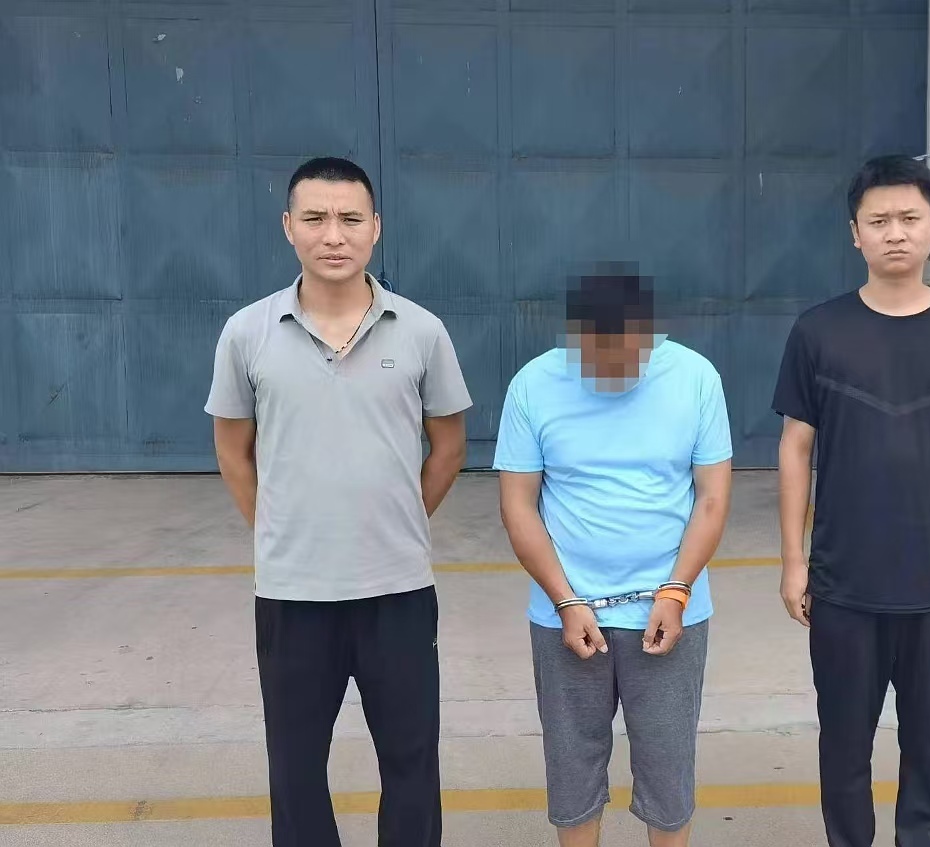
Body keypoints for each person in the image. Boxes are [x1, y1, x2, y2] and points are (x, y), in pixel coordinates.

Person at [205, 156, 472, 847]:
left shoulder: (420, 331)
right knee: (295, 771)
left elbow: (449, 446)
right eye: (316, 218)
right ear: (288, 226)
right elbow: (232, 450)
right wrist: (278, 527)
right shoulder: (247, 333)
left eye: (351, 218)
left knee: (411, 765)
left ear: (375, 228)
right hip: (293, 592)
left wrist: (399, 518)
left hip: (397, 588)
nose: (334, 235)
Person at [772, 155, 930, 847]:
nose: (896, 233)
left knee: (929, 741)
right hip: (845, 583)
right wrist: (793, 561)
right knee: (843, 744)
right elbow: (794, 448)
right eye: (878, 221)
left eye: (910, 218)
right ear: (855, 234)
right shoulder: (819, 331)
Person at [494, 268, 733, 847]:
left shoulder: (695, 377)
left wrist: (677, 590)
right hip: (567, 614)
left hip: (669, 611)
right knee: (571, 765)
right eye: (598, 359)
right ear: (574, 339)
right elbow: (518, 505)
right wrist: (564, 600)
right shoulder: (533, 385)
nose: (614, 374)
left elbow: (712, 498)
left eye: (629, 358)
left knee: (668, 765)